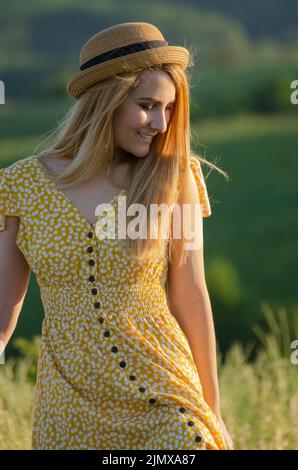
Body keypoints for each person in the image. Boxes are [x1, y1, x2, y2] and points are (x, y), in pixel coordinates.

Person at [0, 22, 233, 450]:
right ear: (105, 102)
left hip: (163, 395)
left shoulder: (173, 178)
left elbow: (191, 297)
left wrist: (213, 412)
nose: (160, 123)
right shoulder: (20, 187)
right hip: (68, 409)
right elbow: (1, 313)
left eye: (168, 108)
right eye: (147, 105)